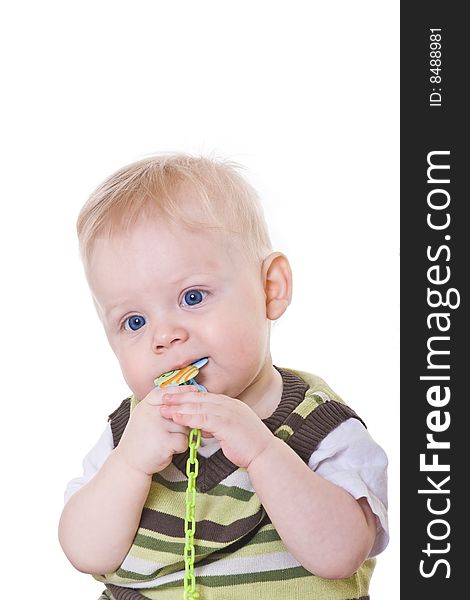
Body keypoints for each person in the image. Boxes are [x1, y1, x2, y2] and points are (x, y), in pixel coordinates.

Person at [59, 154, 388, 600]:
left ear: (271, 288)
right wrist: (131, 464)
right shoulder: (129, 433)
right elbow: (85, 553)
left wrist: (263, 451)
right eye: (134, 322)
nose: (165, 336)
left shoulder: (321, 425)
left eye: (192, 297)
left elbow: (342, 554)